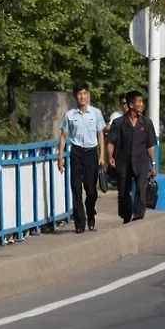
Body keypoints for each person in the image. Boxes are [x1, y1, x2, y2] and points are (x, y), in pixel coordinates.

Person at [57, 82, 106, 234]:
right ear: (75, 96)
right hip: (76, 153)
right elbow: (63, 136)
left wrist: (102, 153)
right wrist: (60, 157)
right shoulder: (70, 115)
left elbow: (100, 134)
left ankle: (90, 212)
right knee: (76, 187)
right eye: (79, 94)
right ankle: (80, 222)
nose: (82, 97)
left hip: (91, 152)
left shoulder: (96, 113)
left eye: (84, 93)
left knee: (91, 190)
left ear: (88, 94)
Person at [105, 90, 157, 224]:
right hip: (123, 162)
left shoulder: (146, 123)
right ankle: (126, 214)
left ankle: (139, 215)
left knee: (141, 187)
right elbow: (111, 141)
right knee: (123, 191)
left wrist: (153, 163)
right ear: (131, 105)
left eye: (142, 101)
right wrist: (110, 156)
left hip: (140, 161)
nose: (141, 104)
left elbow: (150, 146)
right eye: (139, 102)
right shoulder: (119, 123)